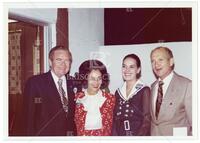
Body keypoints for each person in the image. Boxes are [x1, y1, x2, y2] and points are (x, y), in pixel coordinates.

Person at [23, 45, 81, 136]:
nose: (63, 64)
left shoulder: (74, 83)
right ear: (50, 62)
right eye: (59, 60)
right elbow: (28, 118)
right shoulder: (35, 83)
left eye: (67, 60)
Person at [150, 46, 192, 136]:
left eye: (160, 60)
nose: (156, 64)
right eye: (153, 61)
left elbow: (195, 125)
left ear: (171, 62)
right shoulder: (152, 87)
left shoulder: (186, 85)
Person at [112, 54, 151, 136]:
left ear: (138, 70)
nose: (127, 70)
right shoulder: (118, 92)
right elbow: (115, 120)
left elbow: (147, 120)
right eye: (124, 66)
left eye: (131, 67)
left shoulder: (144, 90)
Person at [74, 60, 115, 136]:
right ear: (85, 79)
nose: (96, 82)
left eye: (99, 78)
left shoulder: (110, 99)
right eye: (92, 78)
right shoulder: (76, 98)